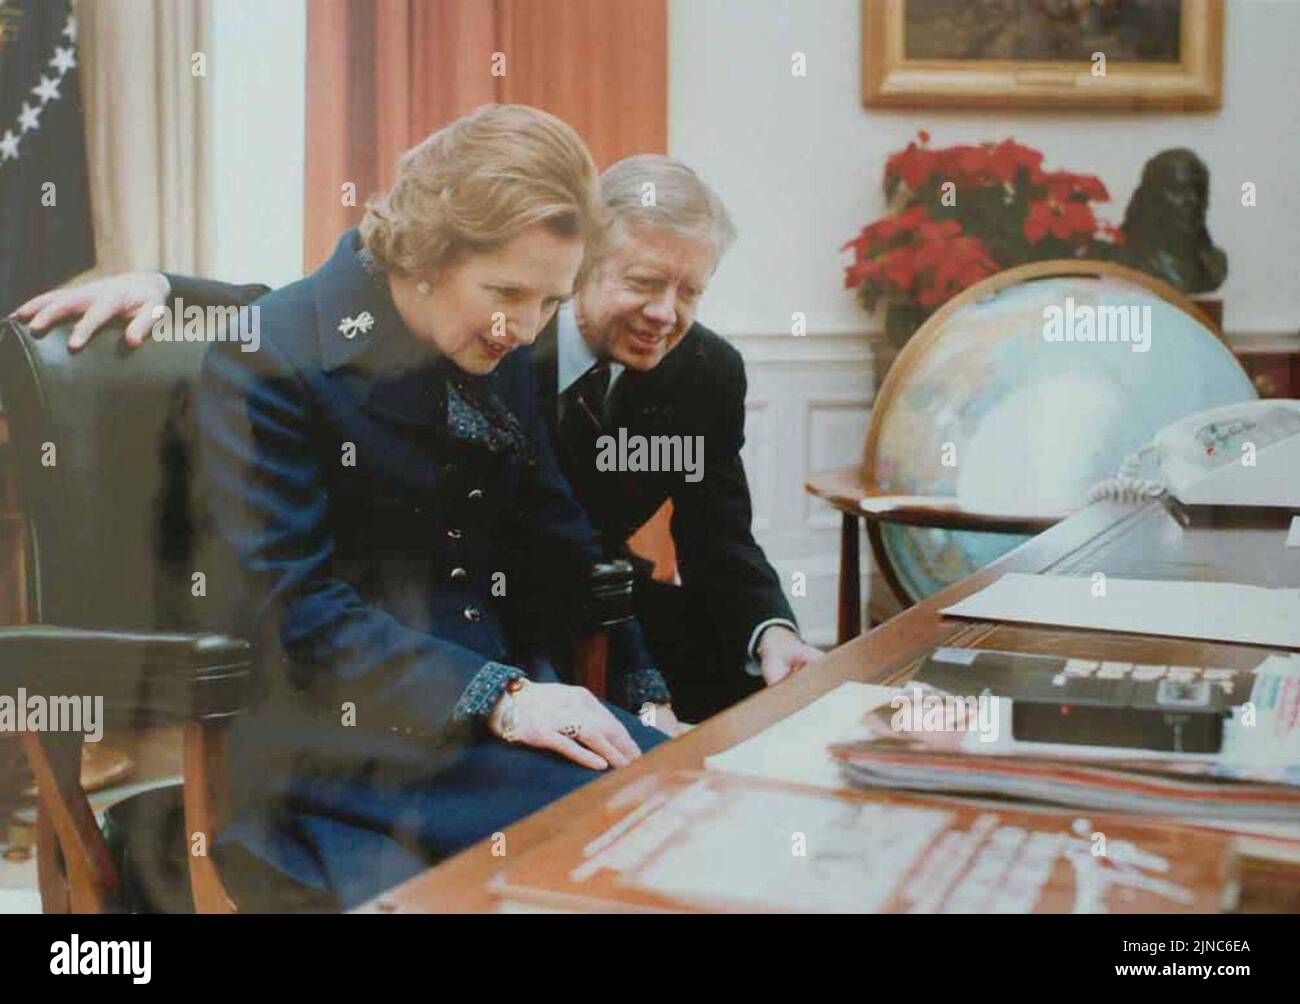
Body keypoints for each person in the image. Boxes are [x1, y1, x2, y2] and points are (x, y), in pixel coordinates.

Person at [67, 104, 686, 911]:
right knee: (616, 843)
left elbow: (562, 539)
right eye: (507, 293)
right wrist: (501, 698)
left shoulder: (491, 339)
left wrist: (647, 695)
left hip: (486, 717)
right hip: (327, 741)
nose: (526, 327)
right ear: (427, 254)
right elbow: (294, 611)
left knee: (677, 795)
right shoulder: (267, 353)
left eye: (550, 301)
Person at [13, 159, 823, 724]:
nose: (666, 314)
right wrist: (168, 289)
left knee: (754, 727)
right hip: (444, 615)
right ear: (581, 263)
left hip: (588, 595)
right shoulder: (491, 323)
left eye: (691, 291)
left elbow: (718, 533)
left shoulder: (705, 370)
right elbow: (324, 315)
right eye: (644, 283)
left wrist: (772, 634)